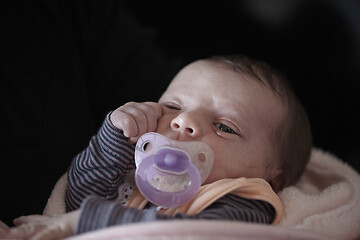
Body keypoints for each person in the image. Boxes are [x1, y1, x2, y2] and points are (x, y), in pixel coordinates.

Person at [0, 55, 312, 240]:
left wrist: (79, 224)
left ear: (274, 180)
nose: (184, 121)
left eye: (224, 127)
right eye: (173, 106)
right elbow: (79, 199)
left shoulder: (247, 199)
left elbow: (185, 234)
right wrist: (116, 137)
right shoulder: (142, 180)